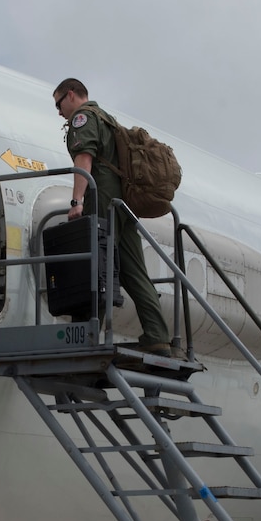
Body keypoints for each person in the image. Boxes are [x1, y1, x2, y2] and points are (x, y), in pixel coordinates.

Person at [53, 79, 171, 354]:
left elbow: (84, 159)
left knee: (94, 261)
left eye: (58, 103)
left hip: (103, 197)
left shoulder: (84, 118)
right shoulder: (108, 119)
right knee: (132, 269)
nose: (58, 111)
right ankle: (157, 334)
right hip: (122, 203)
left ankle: (84, 335)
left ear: (71, 95)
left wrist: (76, 201)